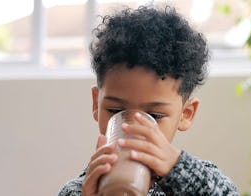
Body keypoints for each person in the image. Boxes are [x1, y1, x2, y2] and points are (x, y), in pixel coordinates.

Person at [58, 5, 238, 196]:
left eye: (153, 115)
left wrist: (177, 168)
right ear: (96, 104)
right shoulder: (79, 191)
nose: (132, 127)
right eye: (115, 111)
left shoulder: (196, 183)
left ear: (186, 114)